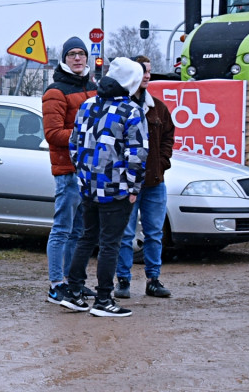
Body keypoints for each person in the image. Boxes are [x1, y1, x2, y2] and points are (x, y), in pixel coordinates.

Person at [63, 57, 149, 317]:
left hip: (89, 186)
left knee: (86, 237)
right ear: (131, 82)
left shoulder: (88, 104)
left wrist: (84, 175)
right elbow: (137, 154)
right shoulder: (131, 111)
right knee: (110, 243)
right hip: (117, 188)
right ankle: (103, 300)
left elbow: (74, 144)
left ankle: (74, 293)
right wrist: (134, 188)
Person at [42, 37, 97, 306]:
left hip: (89, 171)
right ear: (64, 58)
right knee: (62, 229)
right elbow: (52, 133)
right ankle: (56, 285)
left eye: (81, 53)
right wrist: (85, 136)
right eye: (72, 54)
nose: (77, 58)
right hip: (68, 170)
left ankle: (73, 282)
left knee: (79, 231)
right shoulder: (55, 91)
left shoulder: (93, 88)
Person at [115, 55, 175, 299]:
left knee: (154, 233)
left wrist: (161, 163)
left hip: (154, 183)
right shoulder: (120, 105)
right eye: (143, 72)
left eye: (149, 71)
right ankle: (123, 281)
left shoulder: (158, 107)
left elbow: (169, 137)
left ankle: (153, 279)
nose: (147, 76)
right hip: (128, 184)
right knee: (125, 234)